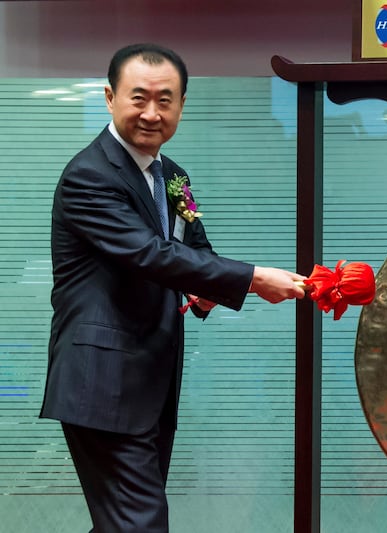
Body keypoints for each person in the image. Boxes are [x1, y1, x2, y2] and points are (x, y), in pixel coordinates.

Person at [39, 43, 306, 532]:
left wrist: (204, 290)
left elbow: (193, 251)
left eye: (165, 100)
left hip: (148, 380)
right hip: (102, 381)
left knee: (124, 523)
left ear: (182, 104)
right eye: (138, 97)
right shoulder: (89, 176)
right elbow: (150, 254)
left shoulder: (172, 176)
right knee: (139, 523)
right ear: (108, 97)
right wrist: (250, 279)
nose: (151, 112)